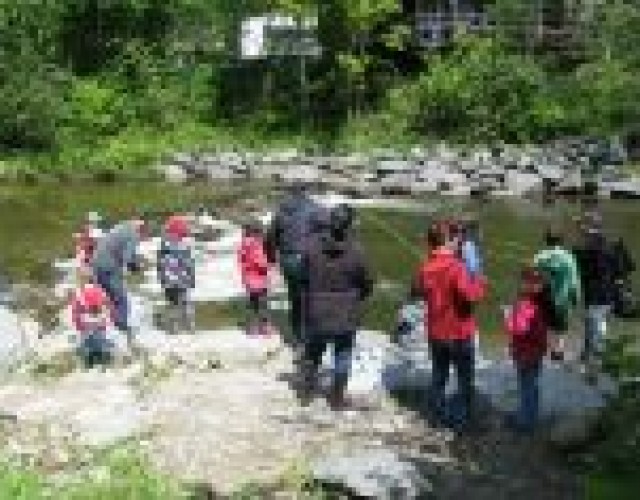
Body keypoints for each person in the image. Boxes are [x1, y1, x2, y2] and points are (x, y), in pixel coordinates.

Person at [412, 220, 487, 431]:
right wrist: (480, 280)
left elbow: (418, 290)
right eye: (455, 238)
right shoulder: (456, 267)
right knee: (464, 380)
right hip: (459, 332)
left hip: (436, 332)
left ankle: (435, 416)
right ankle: (463, 422)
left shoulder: (426, 267)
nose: (458, 241)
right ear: (448, 241)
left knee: (439, 375)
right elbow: (471, 296)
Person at [297, 204, 373, 409]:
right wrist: (359, 299)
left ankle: (306, 393)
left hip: (316, 310)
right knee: (343, 353)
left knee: (313, 352)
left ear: (330, 221)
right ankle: (337, 397)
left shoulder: (311, 247)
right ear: (349, 226)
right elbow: (367, 283)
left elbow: (301, 278)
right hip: (346, 313)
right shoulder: (357, 251)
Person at [267, 182, 325, 345]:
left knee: (295, 298)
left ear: (291, 193)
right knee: (311, 296)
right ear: (306, 192)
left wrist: (271, 258)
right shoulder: (316, 209)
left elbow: (271, 237)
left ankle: (298, 337)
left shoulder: (281, 211)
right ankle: (311, 336)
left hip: (288, 260)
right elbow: (330, 228)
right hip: (309, 260)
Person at [503, 266, 549, 434]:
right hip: (536, 350)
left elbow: (518, 329)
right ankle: (531, 416)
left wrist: (508, 317)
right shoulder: (541, 302)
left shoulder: (524, 304)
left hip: (525, 352)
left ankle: (525, 422)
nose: (521, 284)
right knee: (533, 385)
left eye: (523, 281)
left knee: (526, 386)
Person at [92, 214, 149, 345]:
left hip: (96, 265)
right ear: (141, 227)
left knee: (105, 299)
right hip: (109, 267)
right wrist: (136, 267)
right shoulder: (133, 234)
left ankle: (101, 329)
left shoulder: (121, 227)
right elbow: (127, 258)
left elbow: (124, 251)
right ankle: (122, 329)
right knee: (121, 300)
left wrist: (134, 263)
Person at [533, 228, 581, 362]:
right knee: (561, 327)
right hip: (562, 297)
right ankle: (558, 351)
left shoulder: (540, 256)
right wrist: (576, 297)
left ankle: (548, 349)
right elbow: (574, 279)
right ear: (561, 241)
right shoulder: (568, 256)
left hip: (542, 297)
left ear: (546, 240)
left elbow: (532, 278)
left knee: (544, 325)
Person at [573, 217, 616, 363]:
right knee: (597, 323)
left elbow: (582, 270)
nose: (587, 238)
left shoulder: (589, 253)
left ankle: (594, 356)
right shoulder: (608, 248)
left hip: (595, 295)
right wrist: (580, 225)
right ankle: (590, 354)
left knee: (593, 324)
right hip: (608, 294)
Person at [157, 215, 196, 334]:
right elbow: (189, 263)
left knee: (172, 303)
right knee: (185, 302)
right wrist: (192, 277)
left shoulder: (163, 245)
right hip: (183, 279)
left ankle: (174, 328)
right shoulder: (184, 246)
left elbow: (160, 265)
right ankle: (190, 326)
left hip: (168, 280)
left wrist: (161, 279)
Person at [238, 220, 277, 337]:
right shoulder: (256, 245)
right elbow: (260, 262)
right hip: (260, 279)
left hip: (248, 279)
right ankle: (265, 327)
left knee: (252, 304)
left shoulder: (243, 245)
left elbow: (241, 261)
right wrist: (270, 264)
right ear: (257, 232)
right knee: (263, 304)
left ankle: (252, 327)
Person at [71, 272, 115, 368]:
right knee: (101, 343)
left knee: (87, 346)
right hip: (100, 322)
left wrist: (78, 325)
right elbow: (110, 308)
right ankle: (104, 363)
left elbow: (75, 311)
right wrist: (108, 322)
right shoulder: (101, 292)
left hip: (85, 323)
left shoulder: (80, 293)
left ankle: (88, 364)